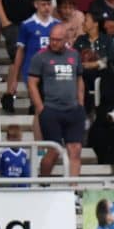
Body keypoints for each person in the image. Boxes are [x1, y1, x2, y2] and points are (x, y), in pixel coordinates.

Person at [28, 24, 86, 177]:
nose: (53, 43)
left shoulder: (74, 55)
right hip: (51, 109)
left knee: (75, 149)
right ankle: (44, 182)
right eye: (52, 39)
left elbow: (79, 78)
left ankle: (73, 190)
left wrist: (81, 102)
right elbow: (32, 83)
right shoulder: (40, 57)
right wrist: (40, 107)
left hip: (73, 109)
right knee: (53, 150)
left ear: (66, 39)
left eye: (58, 40)